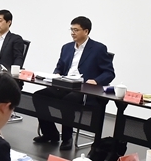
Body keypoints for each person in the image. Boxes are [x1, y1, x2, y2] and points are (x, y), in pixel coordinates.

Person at [32, 16, 115, 151]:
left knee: (68, 100)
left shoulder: (98, 48)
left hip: (83, 90)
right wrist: (56, 74)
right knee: (38, 96)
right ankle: (50, 133)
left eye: (76, 30)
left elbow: (109, 73)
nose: (72, 33)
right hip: (64, 84)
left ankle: (67, 138)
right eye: (71, 29)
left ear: (86, 31)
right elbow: (59, 67)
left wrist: (95, 81)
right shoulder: (66, 47)